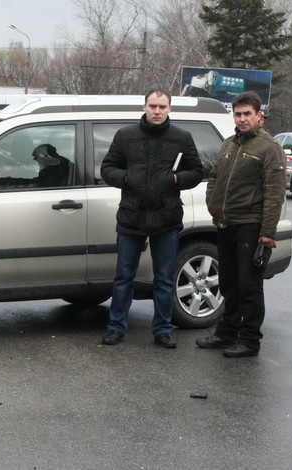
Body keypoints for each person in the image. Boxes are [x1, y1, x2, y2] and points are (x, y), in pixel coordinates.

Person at [100, 89, 204, 348]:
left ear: (170, 109)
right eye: (153, 106)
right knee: (124, 277)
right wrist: (127, 178)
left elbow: (196, 172)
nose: (157, 111)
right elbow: (107, 169)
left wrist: (176, 179)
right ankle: (116, 327)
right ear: (144, 106)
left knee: (165, 278)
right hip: (131, 216)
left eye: (162, 106)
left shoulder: (181, 137)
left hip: (167, 217)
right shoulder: (125, 136)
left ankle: (163, 330)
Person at [196, 91, 286, 358]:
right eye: (238, 114)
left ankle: (249, 340)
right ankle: (226, 333)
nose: (242, 119)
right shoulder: (229, 144)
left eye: (248, 114)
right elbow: (214, 177)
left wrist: (267, 232)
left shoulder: (269, 148)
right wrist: (213, 205)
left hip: (251, 225)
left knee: (249, 286)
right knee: (229, 283)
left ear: (259, 116)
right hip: (226, 224)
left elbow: (275, 193)